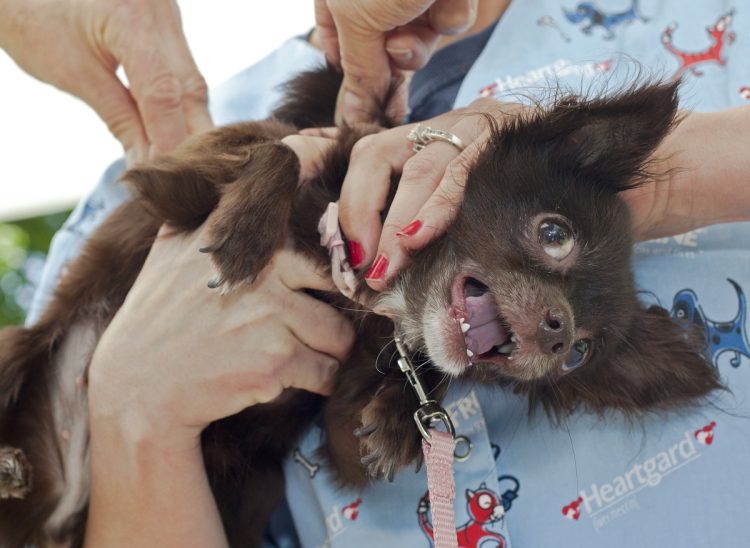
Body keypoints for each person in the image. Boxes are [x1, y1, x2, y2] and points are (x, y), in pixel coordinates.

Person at [3, 0, 750, 546]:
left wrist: (672, 180)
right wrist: (137, 412)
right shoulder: (202, 120)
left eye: (573, 345)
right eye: (551, 234)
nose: (558, 330)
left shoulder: (710, 25)